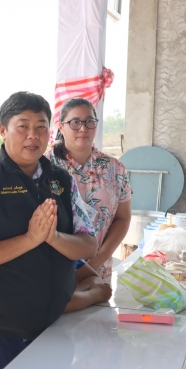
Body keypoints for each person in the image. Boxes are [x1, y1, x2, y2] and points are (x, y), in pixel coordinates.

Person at [0, 91, 98, 369]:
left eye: (41, 127)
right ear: (3, 130)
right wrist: (31, 238)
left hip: (52, 326)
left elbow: (88, 244)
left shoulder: (61, 180)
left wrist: (53, 237)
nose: (33, 135)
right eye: (23, 126)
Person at [45, 97, 132, 282]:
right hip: (52, 274)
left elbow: (123, 218)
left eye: (89, 121)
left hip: (99, 272)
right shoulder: (43, 166)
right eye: (75, 122)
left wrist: (98, 259)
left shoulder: (115, 168)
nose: (83, 128)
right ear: (61, 126)